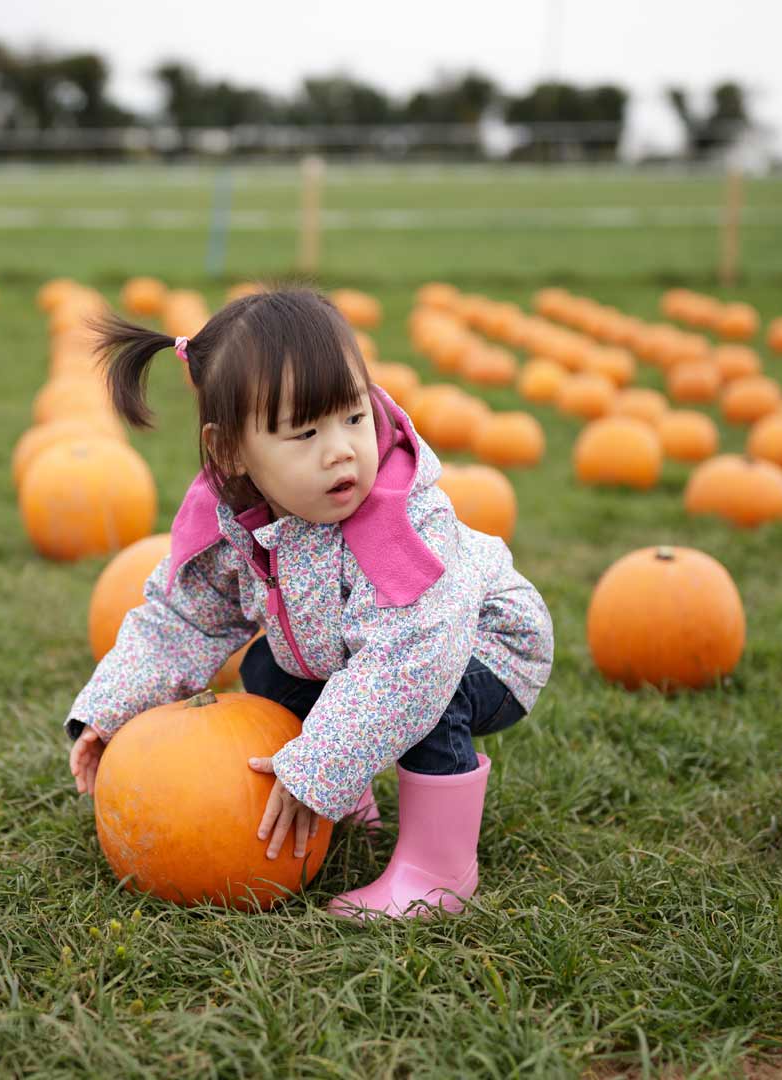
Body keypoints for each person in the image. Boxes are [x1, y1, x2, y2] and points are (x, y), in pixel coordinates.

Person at [64, 287, 552, 919]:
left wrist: (322, 764)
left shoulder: (403, 523)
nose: (342, 449)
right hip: (355, 651)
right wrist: (112, 710)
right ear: (230, 451)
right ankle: (347, 798)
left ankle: (439, 871)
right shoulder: (234, 521)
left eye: (354, 417)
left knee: (435, 694)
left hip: (483, 647)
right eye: (304, 432)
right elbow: (181, 618)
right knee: (266, 668)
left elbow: (411, 661)